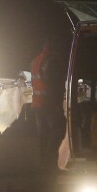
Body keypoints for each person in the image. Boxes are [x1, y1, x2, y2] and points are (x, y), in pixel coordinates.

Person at [30, 36, 66, 172]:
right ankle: (50, 161)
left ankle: (42, 164)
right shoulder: (52, 61)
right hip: (48, 104)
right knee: (57, 130)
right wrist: (57, 103)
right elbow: (54, 84)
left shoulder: (35, 60)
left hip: (37, 104)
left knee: (43, 135)